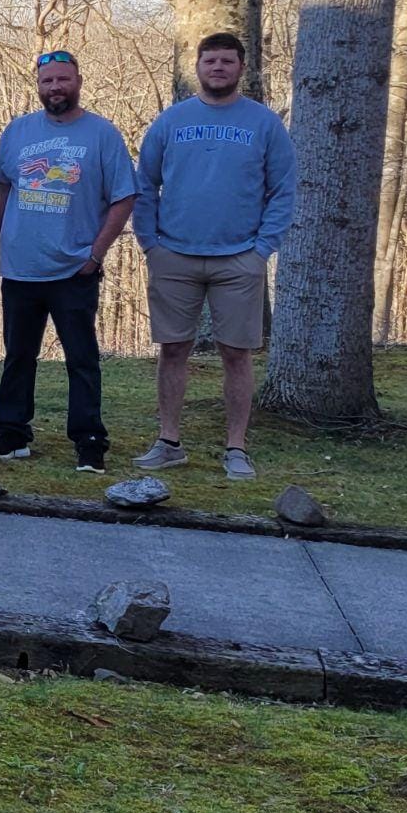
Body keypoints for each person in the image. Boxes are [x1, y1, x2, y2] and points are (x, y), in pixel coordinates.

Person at [132, 31, 297, 481]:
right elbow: (144, 185)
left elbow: (283, 190)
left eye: (227, 61)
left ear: (242, 67)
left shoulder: (264, 124)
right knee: (173, 349)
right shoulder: (171, 121)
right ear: (198, 67)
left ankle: (236, 448)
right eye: (210, 61)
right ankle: (168, 442)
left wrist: (262, 249)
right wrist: (151, 244)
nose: (218, 68)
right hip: (174, 255)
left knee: (236, 354)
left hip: (239, 257)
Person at [0, 49, 135, 470]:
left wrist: (95, 254)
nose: (55, 87)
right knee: (18, 355)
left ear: (78, 82)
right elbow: (1, 188)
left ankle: (89, 440)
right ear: (38, 86)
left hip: (74, 269)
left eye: (63, 79)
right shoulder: (18, 131)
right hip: (21, 267)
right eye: (47, 81)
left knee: (81, 359)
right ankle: (13, 434)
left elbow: (124, 197)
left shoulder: (102, 134)